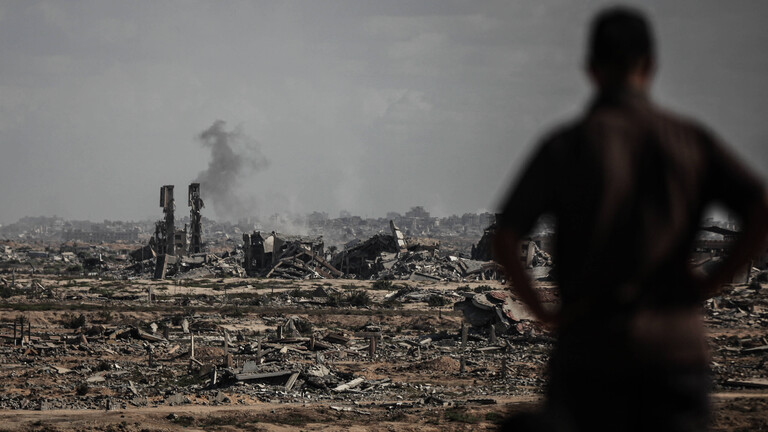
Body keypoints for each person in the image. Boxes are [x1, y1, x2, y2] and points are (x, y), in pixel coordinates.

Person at [493, 6, 768, 432]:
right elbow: (759, 209)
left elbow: (506, 236)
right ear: (651, 65)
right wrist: (710, 283)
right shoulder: (688, 140)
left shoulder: (569, 145)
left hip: (591, 351)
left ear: (591, 69)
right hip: (674, 351)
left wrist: (544, 314)